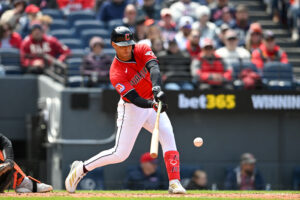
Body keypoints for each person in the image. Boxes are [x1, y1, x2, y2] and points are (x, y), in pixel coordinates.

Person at [65, 26, 187, 194]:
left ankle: (174, 182)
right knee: (119, 154)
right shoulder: (115, 72)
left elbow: (154, 69)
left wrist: (157, 89)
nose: (127, 48)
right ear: (113, 45)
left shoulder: (142, 48)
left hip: (151, 101)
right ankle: (81, 168)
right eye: (122, 45)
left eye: (129, 44)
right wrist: (152, 104)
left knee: (168, 135)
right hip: (132, 109)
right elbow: (134, 98)